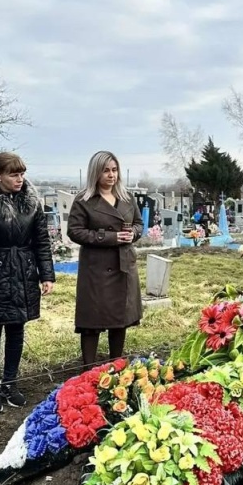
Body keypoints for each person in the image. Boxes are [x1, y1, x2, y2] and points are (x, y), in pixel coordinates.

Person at [0, 153, 55, 414]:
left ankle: (10, 382)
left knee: (17, 329)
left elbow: (41, 240)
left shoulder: (31, 202)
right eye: (13, 174)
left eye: (22, 174)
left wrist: (47, 274)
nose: (19, 179)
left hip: (23, 273)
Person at [67, 151, 143, 365]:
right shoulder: (84, 200)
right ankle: (88, 368)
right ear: (96, 173)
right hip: (97, 268)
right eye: (106, 170)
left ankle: (116, 365)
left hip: (123, 265)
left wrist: (133, 234)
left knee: (120, 319)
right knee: (92, 319)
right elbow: (75, 231)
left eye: (114, 170)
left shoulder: (127, 197)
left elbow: (138, 223)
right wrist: (109, 236)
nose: (111, 175)